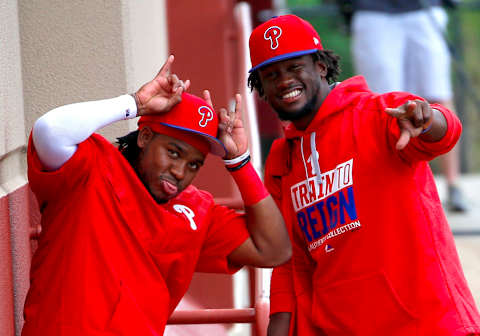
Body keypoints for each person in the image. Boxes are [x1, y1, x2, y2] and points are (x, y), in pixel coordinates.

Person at [23, 55, 291, 335]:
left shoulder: (197, 211)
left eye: (194, 164)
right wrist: (134, 104)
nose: (179, 171)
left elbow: (274, 249)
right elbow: (49, 130)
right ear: (145, 137)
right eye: (173, 153)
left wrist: (240, 163)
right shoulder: (92, 168)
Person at [247, 14, 480, 335]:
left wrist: (427, 121)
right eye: (271, 75)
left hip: (425, 324)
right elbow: (287, 258)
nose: (284, 80)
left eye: (294, 67)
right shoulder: (280, 160)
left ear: (321, 66)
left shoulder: (378, 113)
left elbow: (445, 132)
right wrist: (278, 325)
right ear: (261, 87)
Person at [349, 0, 468, 212]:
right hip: (372, 11)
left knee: (438, 94)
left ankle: (453, 185)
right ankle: (389, 190)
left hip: (425, 8)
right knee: (380, 104)